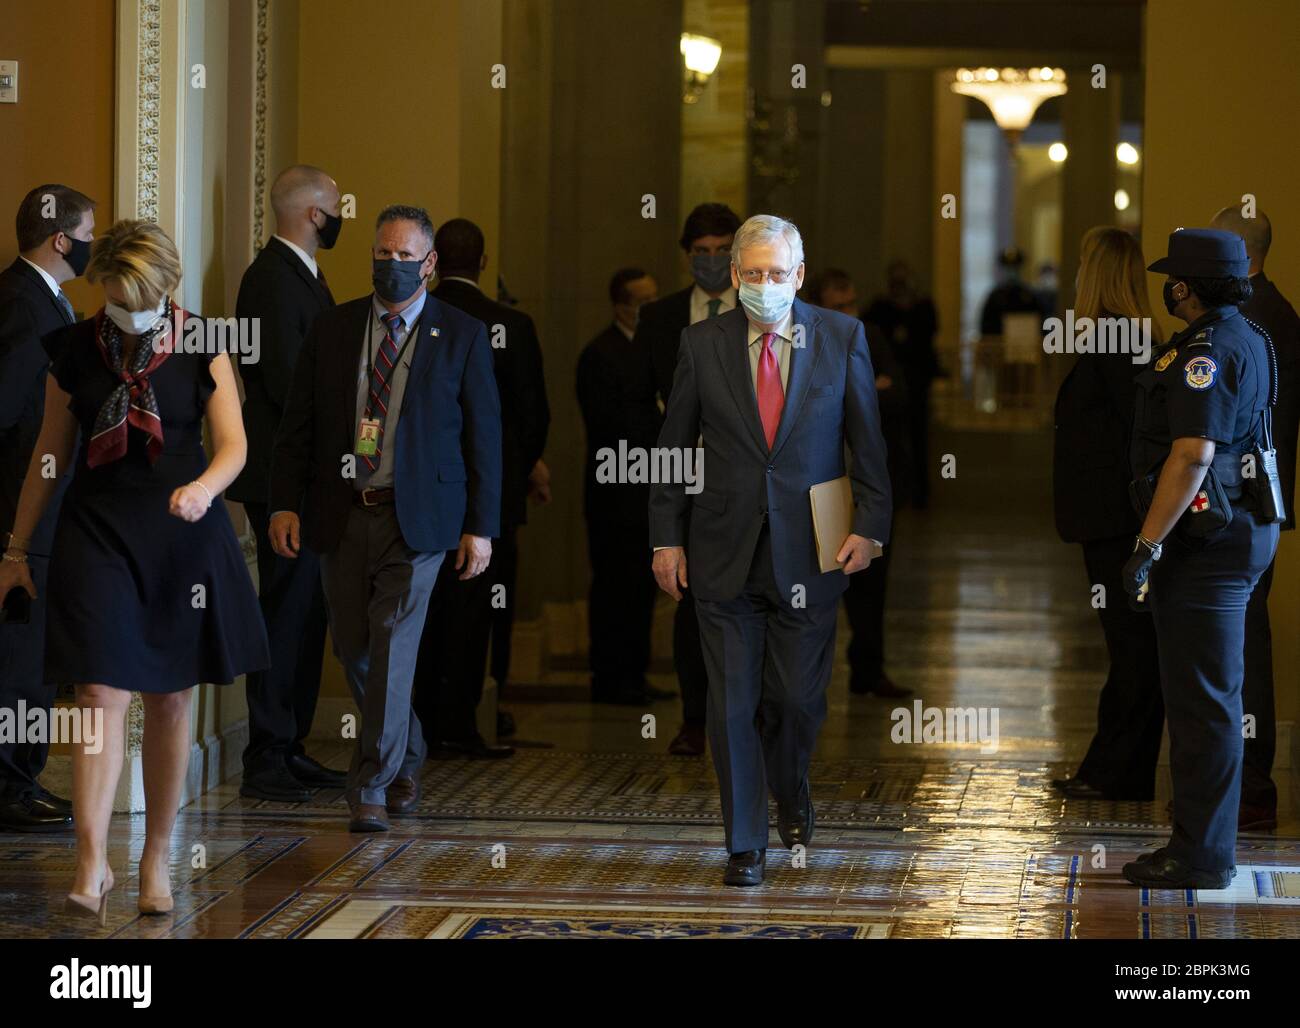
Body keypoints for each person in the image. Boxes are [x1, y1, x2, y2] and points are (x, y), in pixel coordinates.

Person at [0, 219, 269, 918]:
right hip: (96, 534)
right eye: (116, 297)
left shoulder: (207, 344)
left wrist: (206, 489)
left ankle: (155, 858)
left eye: (139, 299)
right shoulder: (74, 348)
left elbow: (235, 445)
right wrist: (17, 548)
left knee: (171, 701)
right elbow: (49, 458)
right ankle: (91, 863)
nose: (127, 311)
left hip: (183, 536)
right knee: (98, 697)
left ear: (167, 288)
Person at [650, 215, 892, 886]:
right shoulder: (701, 344)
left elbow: (867, 446)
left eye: (775, 274)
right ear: (734, 276)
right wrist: (666, 537)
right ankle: (744, 843)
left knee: (793, 701)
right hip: (722, 553)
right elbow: (672, 452)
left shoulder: (843, 338)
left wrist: (869, 528)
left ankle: (792, 784)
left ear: (799, 276)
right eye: (751, 274)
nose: (763, 285)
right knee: (729, 705)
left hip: (813, 550)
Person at [268, 204, 501, 833]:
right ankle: (409, 751)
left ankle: (370, 783)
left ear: (428, 264)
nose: (390, 265)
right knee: (356, 647)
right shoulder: (334, 328)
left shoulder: (462, 334)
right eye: (382, 253)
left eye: (404, 256)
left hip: (418, 519)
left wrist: (482, 526)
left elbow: (485, 436)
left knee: (395, 645)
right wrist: (285, 500)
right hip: (342, 513)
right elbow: (299, 425)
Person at [1120, 228, 1280, 889]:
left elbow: (1193, 454)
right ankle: (1199, 842)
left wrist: (1146, 545)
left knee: (1203, 701)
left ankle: (1203, 853)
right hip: (1237, 532)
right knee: (1208, 695)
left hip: (1207, 542)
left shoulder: (1206, 353)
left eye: (1170, 279)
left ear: (1183, 287)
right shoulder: (1251, 334)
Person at [412, 217, 549, 758]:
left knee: (423, 612)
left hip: (423, 495)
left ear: (434, 261)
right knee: (484, 613)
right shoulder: (512, 324)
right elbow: (534, 416)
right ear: (484, 262)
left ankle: (418, 723)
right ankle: (463, 724)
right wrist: (515, 475)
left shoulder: (418, 317)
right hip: (493, 501)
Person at [228, 165, 344, 802]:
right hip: (282, 474)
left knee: (306, 614)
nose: (338, 215)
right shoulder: (272, 278)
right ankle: (267, 753)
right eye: (334, 205)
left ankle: (290, 744)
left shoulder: (300, 273)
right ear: (312, 215)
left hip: (305, 475)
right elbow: (282, 381)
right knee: (286, 613)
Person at [1050, 227, 1164, 802]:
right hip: (1111, 520)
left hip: (1120, 522)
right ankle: (1115, 768)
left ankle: (1116, 771)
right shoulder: (1117, 338)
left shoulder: (1120, 341)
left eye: (1080, 265)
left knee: (1133, 648)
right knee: (1130, 645)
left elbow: (1136, 441)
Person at [0, 184, 95, 832]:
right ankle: (11, 783)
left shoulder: (40, 298)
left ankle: (20, 776)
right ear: (62, 239)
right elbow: (12, 416)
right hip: (18, 511)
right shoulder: (20, 303)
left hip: (35, 509)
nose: (91, 244)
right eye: (87, 232)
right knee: (17, 654)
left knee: (30, 655)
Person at [633, 201, 742, 751]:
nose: (713, 260)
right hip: (683, 473)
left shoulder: (761, 307)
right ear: (686, 256)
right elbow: (640, 397)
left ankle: (748, 719)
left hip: (744, 479)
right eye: (702, 252)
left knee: (750, 596)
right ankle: (694, 717)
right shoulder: (660, 317)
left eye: (723, 250)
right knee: (688, 597)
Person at [1209, 204, 1299, 830]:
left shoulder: (1252, 320)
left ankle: (1248, 789)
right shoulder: (1278, 314)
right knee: (1241, 643)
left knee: (1238, 649)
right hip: (1258, 503)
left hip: (1239, 508)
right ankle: (1244, 787)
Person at [806, 268, 912, 698]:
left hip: (868, 484)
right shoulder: (807, 341)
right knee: (817, 587)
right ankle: (808, 678)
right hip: (820, 486)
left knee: (872, 583)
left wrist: (850, 393)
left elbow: (899, 395)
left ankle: (869, 670)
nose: (850, 312)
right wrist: (865, 389)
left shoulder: (869, 336)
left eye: (852, 303)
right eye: (839, 305)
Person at [577, 268, 663, 710]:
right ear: (621, 306)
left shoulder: (655, 350)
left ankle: (636, 671)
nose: (651, 309)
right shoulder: (600, 353)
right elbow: (609, 425)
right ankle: (609, 675)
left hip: (648, 489)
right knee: (613, 584)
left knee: (644, 585)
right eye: (642, 302)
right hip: (614, 492)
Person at [862, 260, 940, 508]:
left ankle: (919, 492)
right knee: (891, 440)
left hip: (915, 381)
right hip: (892, 384)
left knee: (918, 438)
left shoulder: (923, 307)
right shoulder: (880, 308)